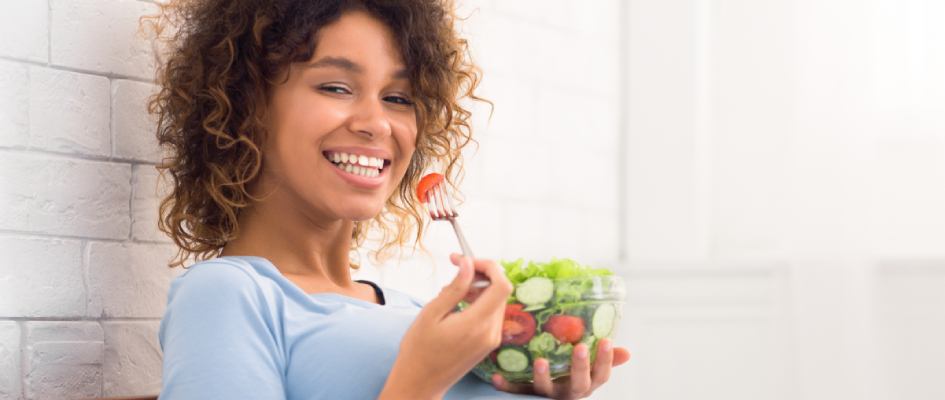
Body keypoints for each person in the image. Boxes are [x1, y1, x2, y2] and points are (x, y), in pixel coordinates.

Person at [144, 0, 630, 398]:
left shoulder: (418, 312)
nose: (377, 124)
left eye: (399, 98)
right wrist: (419, 381)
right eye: (335, 87)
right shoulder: (228, 296)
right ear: (247, 106)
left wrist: (525, 387)